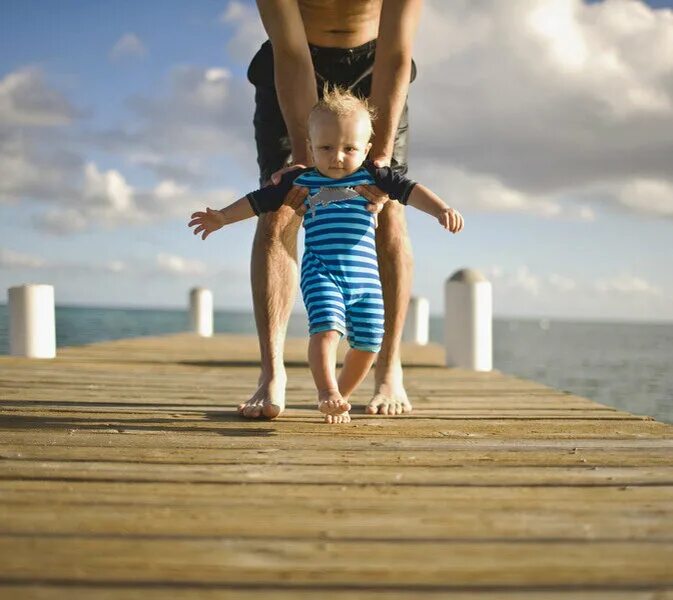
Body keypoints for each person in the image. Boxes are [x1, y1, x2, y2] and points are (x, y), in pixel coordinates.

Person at [189, 88, 464, 423]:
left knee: (369, 343)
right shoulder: (303, 180)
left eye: (349, 148)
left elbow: (410, 190)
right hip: (322, 272)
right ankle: (326, 392)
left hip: (366, 282)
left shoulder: (375, 176)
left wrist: (441, 209)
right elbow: (259, 200)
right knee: (327, 330)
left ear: (367, 148)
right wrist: (222, 217)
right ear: (309, 145)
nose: (337, 156)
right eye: (326, 148)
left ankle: (341, 398)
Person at [242, 0, 425, 419]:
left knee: (391, 206)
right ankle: (271, 373)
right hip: (294, 63)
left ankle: (388, 366)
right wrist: (306, 163)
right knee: (281, 208)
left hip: (376, 65)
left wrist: (376, 169)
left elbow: (396, 51)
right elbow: (290, 52)